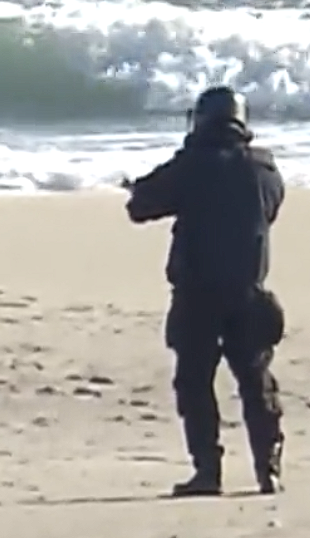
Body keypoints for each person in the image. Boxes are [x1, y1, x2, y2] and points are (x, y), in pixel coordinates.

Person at [122, 86, 288, 497]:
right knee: (256, 382)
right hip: (249, 294)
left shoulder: (194, 164)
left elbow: (141, 205)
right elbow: (270, 208)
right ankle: (269, 470)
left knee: (195, 384)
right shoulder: (265, 169)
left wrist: (139, 186)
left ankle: (208, 472)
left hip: (198, 297)